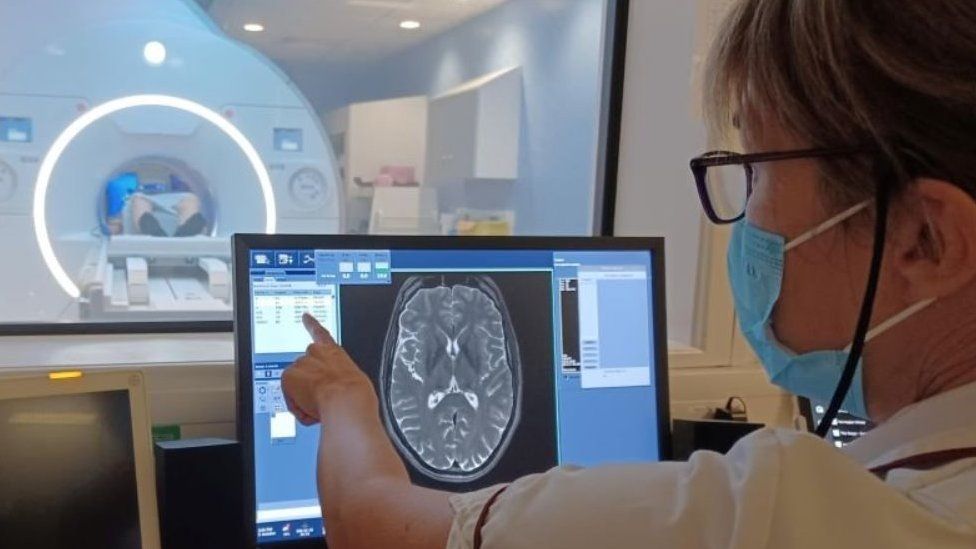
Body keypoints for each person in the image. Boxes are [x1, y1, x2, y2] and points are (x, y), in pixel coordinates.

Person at [282, 1, 976, 547]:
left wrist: (344, 395)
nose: (740, 218)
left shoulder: (779, 515)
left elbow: (370, 525)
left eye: (756, 167)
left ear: (925, 239)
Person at [105, 172, 208, 237]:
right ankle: (156, 234)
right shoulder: (129, 191)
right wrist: (114, 226)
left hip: (176, 198)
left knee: (191, 200)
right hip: (141, 200)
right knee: (139, 200)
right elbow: (113, 226)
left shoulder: (184, 193)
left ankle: (185, 235)